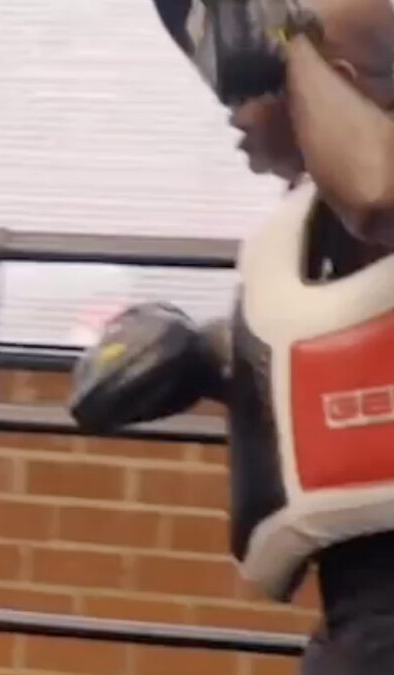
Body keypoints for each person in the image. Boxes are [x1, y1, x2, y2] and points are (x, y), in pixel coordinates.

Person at [70, 0, 394, 673]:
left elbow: (376, 193)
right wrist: (197, 355)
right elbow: (340, 343)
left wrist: (286, 34)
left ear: (336, 80)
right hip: (360, 609)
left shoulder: (373, 187)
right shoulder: (304, 234)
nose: (234, 113)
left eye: (252, 85)